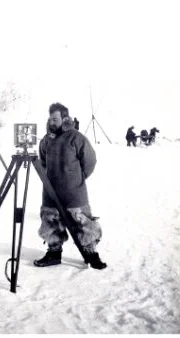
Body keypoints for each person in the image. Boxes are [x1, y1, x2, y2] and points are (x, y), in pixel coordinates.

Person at [34, 103, 107, 270]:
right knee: (51, 223)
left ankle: (91, 254)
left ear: (65, 119)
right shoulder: (45, 141)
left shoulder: (76, 138)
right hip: (51, 192)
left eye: (55, 119)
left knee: (82, 223)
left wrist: (77, 178)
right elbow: (43, 163)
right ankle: (53, 253)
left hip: (74, 192)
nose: (52, 122)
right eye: (50, 119)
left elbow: (90, 161)